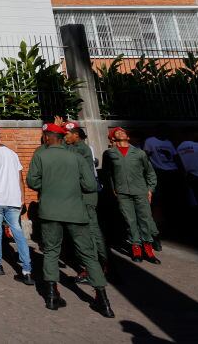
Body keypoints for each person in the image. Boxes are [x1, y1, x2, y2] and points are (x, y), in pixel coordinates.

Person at [26, 124, 114, 318]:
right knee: (88, 254)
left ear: (48, 137)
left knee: (50, 251)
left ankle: (51, 295)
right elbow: (90, 185)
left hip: (49, 211)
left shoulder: (41, 155)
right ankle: (103, 299)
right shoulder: (76, 157)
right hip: (75, 211)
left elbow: (32, 182)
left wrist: (48, 185)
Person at [0, 125, 33, 283]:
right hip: (13, 199)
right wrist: (22, 198)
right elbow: (20, 178)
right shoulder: (12, 154)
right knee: (18, 233)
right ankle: (26, 270)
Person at [102, 127, 159, 264]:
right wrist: (113, 188)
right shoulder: (110, 154)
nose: (120, 132)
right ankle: (136, 247)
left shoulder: (139, 153)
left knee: (144, 219)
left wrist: (150, 189)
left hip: (140, 191)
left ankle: (148, 247)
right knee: (130, 220)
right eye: (116, 132)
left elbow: (150, 172)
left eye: (123, 132)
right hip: (122, 193)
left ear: (128, 137)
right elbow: (107, 173)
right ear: (113, 138)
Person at [63, 123, 107, 283]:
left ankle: (96, 268)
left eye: (67, 134)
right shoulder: (80, 148)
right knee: (90, 229)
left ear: (76, 135)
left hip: (84, 194)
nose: (65, 137)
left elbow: (64, 158)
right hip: (83, 193)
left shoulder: (80, 149)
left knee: (90, 231)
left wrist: (57, 136)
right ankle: (99, 265)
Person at [143, 130, 182, 244]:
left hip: (172, 171)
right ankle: (162, 226)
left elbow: (175, 157)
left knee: (173, 199)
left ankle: (173, 224)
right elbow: (147, 155)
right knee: (160, 200)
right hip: (159, 172)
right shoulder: (150, 141)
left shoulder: (168, 142)